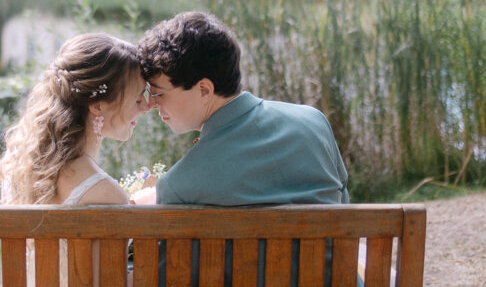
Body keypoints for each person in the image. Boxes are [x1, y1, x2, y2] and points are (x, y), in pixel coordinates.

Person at [138, 11, 349, 206]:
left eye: (158, 93)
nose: (151, 104)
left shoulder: (178, 188)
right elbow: (343, 200)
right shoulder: (314, 121)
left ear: (204, 90)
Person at [0, 33, 151, 286]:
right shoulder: (103, 192)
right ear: (98, 106)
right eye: (137, 98)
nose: (145, 107)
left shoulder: (19, 169)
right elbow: (111, 282)